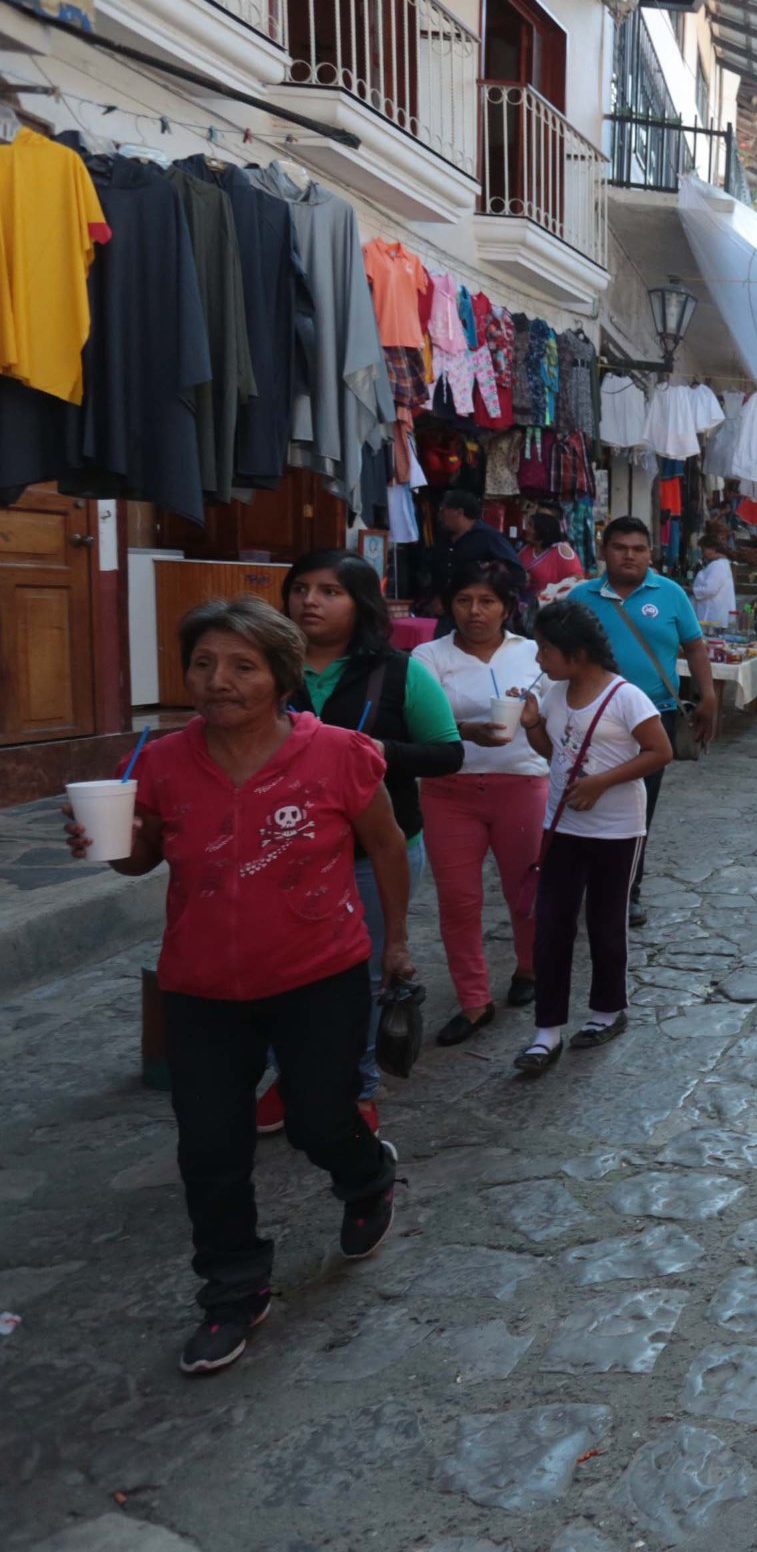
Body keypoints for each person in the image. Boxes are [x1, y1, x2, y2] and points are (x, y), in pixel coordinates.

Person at [66, 596, 404, 1374]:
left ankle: (367, 1178)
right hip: (201, 986)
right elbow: (140, 859)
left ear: (282, 677)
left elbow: (385, 845)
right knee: (211, 1149)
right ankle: (233, 1287)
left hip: (319, 973)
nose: (217, 680)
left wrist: (400, 945)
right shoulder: (161, 762)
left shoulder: (341, 754)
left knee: (320, 1119)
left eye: (242, 666)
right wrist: (107, 839)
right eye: (203, 663)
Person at [282, 550, 462, 1125]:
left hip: (374, 850)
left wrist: (383, 751)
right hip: (285, 847)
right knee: (286, 970)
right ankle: (288, 1079)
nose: (310, 601)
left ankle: (357, 1087)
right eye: (301, 588)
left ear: (359, 605)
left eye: (329, 591)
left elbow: (447, 752)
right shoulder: (268, 668)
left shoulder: (400, 672)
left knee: (362, 973)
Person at [513, 601, 672, 1076]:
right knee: (553, 925)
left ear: (577, 653)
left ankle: (607, 1010)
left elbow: (659, 751)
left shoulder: (626, 698)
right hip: (561, 825)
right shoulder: (557, 692)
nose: (538, 659)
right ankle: (547, 1031)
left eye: (545, 650)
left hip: (616, 830)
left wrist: (602, 782)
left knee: (605, 922)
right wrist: (533, 725)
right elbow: (552, 753)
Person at [414, 564, 547, 1042]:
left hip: (523, 783)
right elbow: (418, 720)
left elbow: (556, 716)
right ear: (449, 606)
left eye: (487, 601)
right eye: (465, 599)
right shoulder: (427, 657)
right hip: (449, 791)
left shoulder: (533, 654)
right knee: (458, 900)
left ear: (507, 607)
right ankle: (473, 1001)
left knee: (526, 890)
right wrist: (464, 733)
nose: (475, 611)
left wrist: (533, 725)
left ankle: (529, 969)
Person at [571, 517, 719, 925]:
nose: (630, 555)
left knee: (638, 808)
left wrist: (707, 697)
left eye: (638, 548)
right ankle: (582, 882)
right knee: (584, 800)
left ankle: (626, 889)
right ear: (605, 551)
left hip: (654, 718)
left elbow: (695, 647)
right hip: (592, 719)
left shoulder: (670, 595)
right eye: (621, 547)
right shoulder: (580, 597)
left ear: (650, 553)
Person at [431, 489, 527, 612]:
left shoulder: (489, 537)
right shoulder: (444, 539)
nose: (440, 516)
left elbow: (517, 574)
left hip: (479, 612)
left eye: (443, 510)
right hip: (447, 612)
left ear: (458, 512)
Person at [519, 510, 586, 604]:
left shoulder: (561, 551)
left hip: (551, 608)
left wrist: (550, 593)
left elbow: (577, 580)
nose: (526, 529)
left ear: (541, 528)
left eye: (530, 525)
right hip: (526, 606)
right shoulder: (525, 550)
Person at [690, 528, 739, 629]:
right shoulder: (719, 564)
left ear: (712, 549)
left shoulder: (718, 565)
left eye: (704, 550)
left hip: (713, 617)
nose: (703, 554)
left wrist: (690, 590)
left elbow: (710, 590)